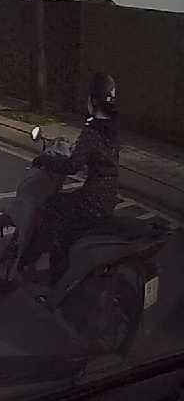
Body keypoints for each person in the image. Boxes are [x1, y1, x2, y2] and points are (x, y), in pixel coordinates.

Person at [23, 72, 121, 285]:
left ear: (94, 100)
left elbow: (72, 166)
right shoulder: (113, 130)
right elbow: (98, 158)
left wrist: (45, 160)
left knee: (51, 208)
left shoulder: (92, 131)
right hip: (109, 197)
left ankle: (54, 276)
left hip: (92, 199)